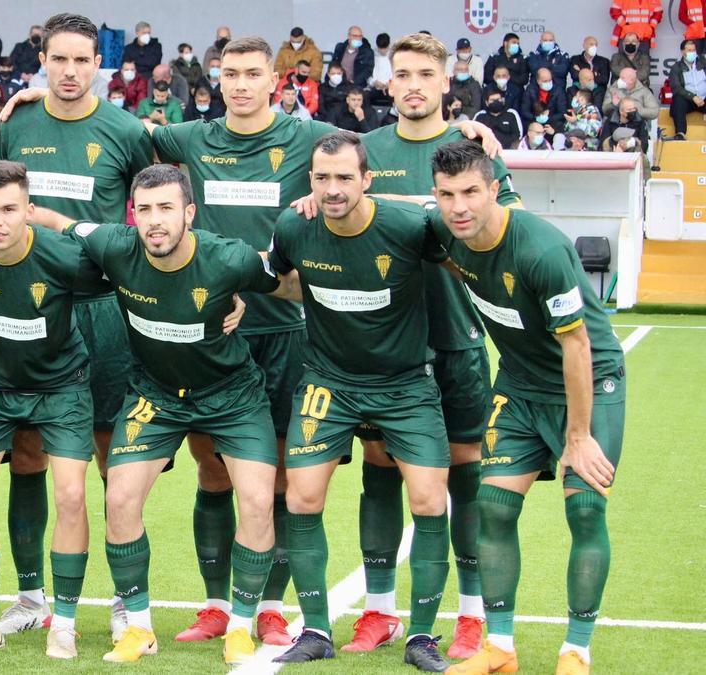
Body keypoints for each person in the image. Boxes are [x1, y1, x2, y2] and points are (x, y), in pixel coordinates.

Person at [27, 164, 281, 665]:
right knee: (119, 497)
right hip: (156, 394)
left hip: (232, 394)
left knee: (256, 500)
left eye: (166, 208)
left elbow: (281, 273)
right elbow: (60, 223)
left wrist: (240, 300)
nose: (155, 221)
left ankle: (241, 626)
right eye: (144, 210)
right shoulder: (115, 246)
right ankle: (139, 628)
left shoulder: (228, 258)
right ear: (133, 216)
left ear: (189, 212)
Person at [325, 33, 516, 664]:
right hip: (380, 350)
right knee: (380, 472)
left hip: (455, 338)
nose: (411, 84)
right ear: (388, 81)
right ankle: (378, 610)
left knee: (463, 476)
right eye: (401, 72)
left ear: (444, 82)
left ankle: (468, 616)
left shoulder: (473, 151)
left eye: (424, 74)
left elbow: (499, 228)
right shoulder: (361, 151)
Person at [142, 36, 337, 649]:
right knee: (212, 468)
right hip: (207, 334)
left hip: (283, 331)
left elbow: (375, 158)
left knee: (276, 472)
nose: (242, 84)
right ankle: (216, 604)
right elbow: (120, 130)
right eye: (231, 74)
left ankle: (271, 607)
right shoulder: (188, 140)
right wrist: (38, 94)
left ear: (275, 81)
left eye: (254, 74)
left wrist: (474, 131)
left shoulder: (308, 140)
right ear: (217, 80)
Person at [0, 12, 156, 641]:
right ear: (42, 61)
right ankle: (31, 595)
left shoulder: (125, 130)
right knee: (28, 452)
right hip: (29, 309)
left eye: (82, 60)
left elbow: (151, 207)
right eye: (58, 59)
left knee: (116, 454)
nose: (69, 71)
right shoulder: (16, 124)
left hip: (107, 311)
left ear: (98, 65)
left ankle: (124, 598)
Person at [429, 140, 625, 675]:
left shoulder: (540, 250)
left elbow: (578, 346)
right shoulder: (446, 234)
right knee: (493, 506)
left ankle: (576, 651)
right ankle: (500, 649)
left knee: (584, 508)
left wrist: (578, 436)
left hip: (587, 382)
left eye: (471, 192)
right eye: (447, 195)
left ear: (495, 190)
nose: (460, 206)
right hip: (517, 385)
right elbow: (386, 213)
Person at [265, 131, 453, 672]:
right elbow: (277, 279)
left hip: (404, 382)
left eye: (345, 177)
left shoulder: (408, 226)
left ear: (367, 180)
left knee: (427, 499)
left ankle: (421, 637)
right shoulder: (293, 226)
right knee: (301, 497)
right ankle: (318, 630)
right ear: (309, 182)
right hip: (329, 381)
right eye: (322, 178)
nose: (332, 188)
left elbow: (460, 246)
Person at [0, 161, 105, 658]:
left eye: (9, 209)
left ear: (28, 211)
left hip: (61, 387)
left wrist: (224, 302)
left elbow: (140, 272)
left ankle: (65, 623)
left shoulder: (65, 256)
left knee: (72, 494)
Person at [668, 39, 706, 140]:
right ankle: (680, 133)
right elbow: (676, 88)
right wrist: (693, 97)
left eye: (694, 50)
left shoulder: (703, 63)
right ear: (682, 52)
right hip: (688, 101)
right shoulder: (676, 68)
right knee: (678, 99)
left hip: (704, 99)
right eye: (689, 50)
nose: (692, 53)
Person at [369, 32, 395, 106]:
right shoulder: (371, 55)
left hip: (391, 87)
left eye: (385, 48)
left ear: (389, 45)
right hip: (374, 87)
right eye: (380, 49)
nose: (382, 51)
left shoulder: (395, 55)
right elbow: (367, 74)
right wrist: (374, 82)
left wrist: (390, 83)